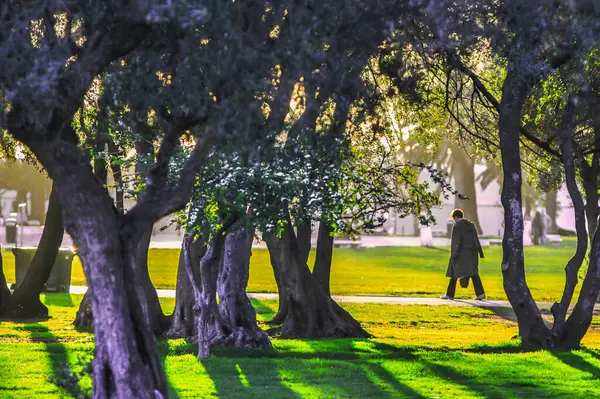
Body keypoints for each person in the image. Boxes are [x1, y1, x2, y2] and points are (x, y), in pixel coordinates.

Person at [440, 208, 486, 300]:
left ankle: (449, 294)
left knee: (454, 272)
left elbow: (456, 241)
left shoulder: (457, 226)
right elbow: (476, 239)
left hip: (461, 253)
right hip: (472, 253)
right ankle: (480, 293)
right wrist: (480, 252)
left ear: (456, 217)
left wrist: (453, 254)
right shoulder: (471, 225)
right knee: (473, 273)